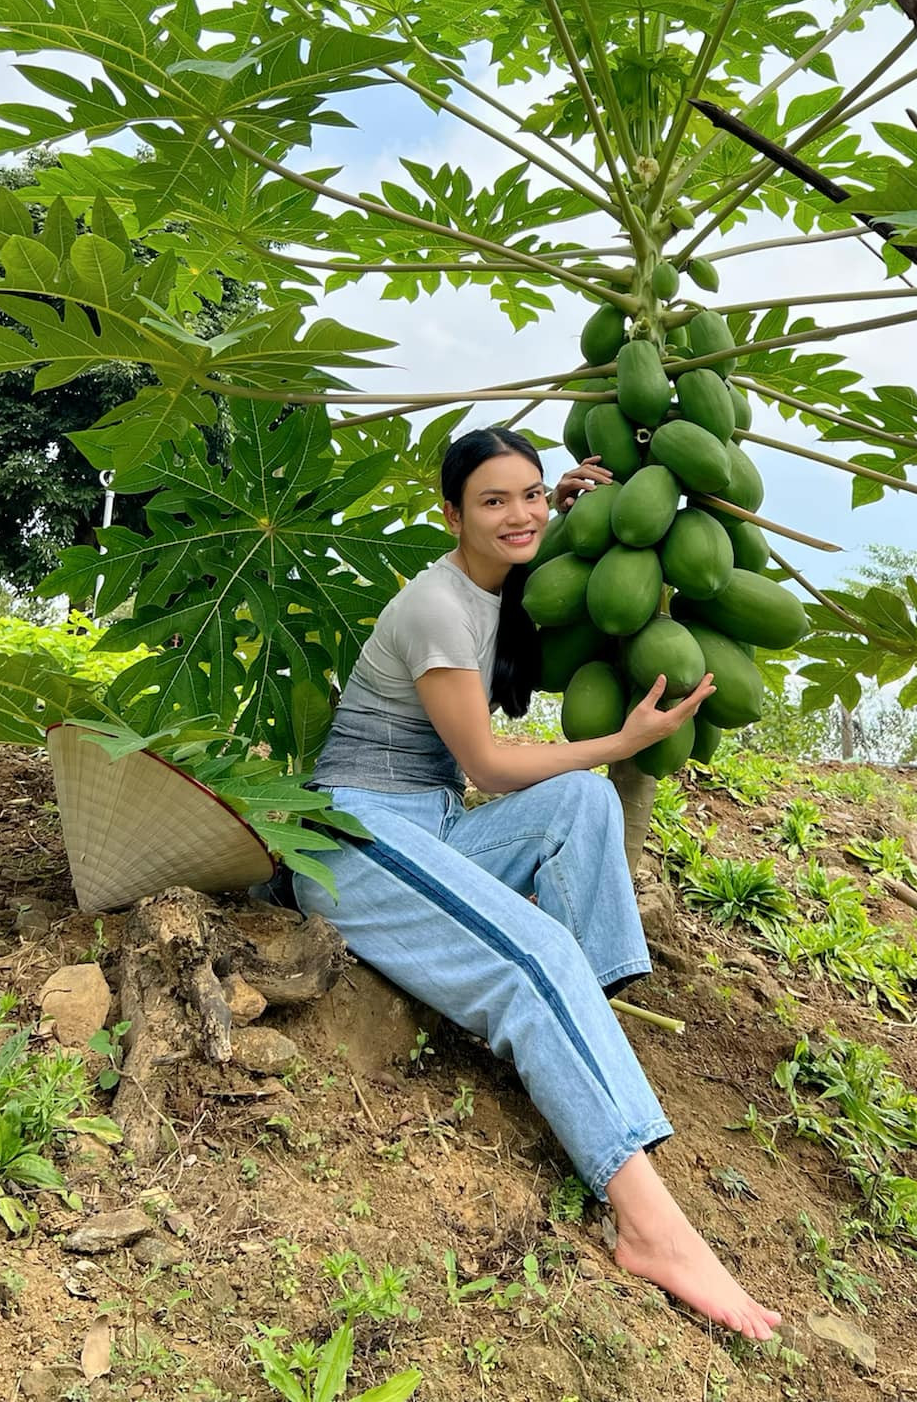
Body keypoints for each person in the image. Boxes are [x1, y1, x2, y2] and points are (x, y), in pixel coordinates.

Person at [295, 426, 782, 1341]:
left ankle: (585, 1035)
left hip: (434, 826)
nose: (518, 514)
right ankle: (651, 1229)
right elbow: (485, 763)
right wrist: (621, 742)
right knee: (536, 953)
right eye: (493, 500)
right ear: (452, 515)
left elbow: (542, 558)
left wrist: (561, 510)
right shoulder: (435, 605)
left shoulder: (501, 580)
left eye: (529, 493)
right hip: (353, 837)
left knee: (585, 805)